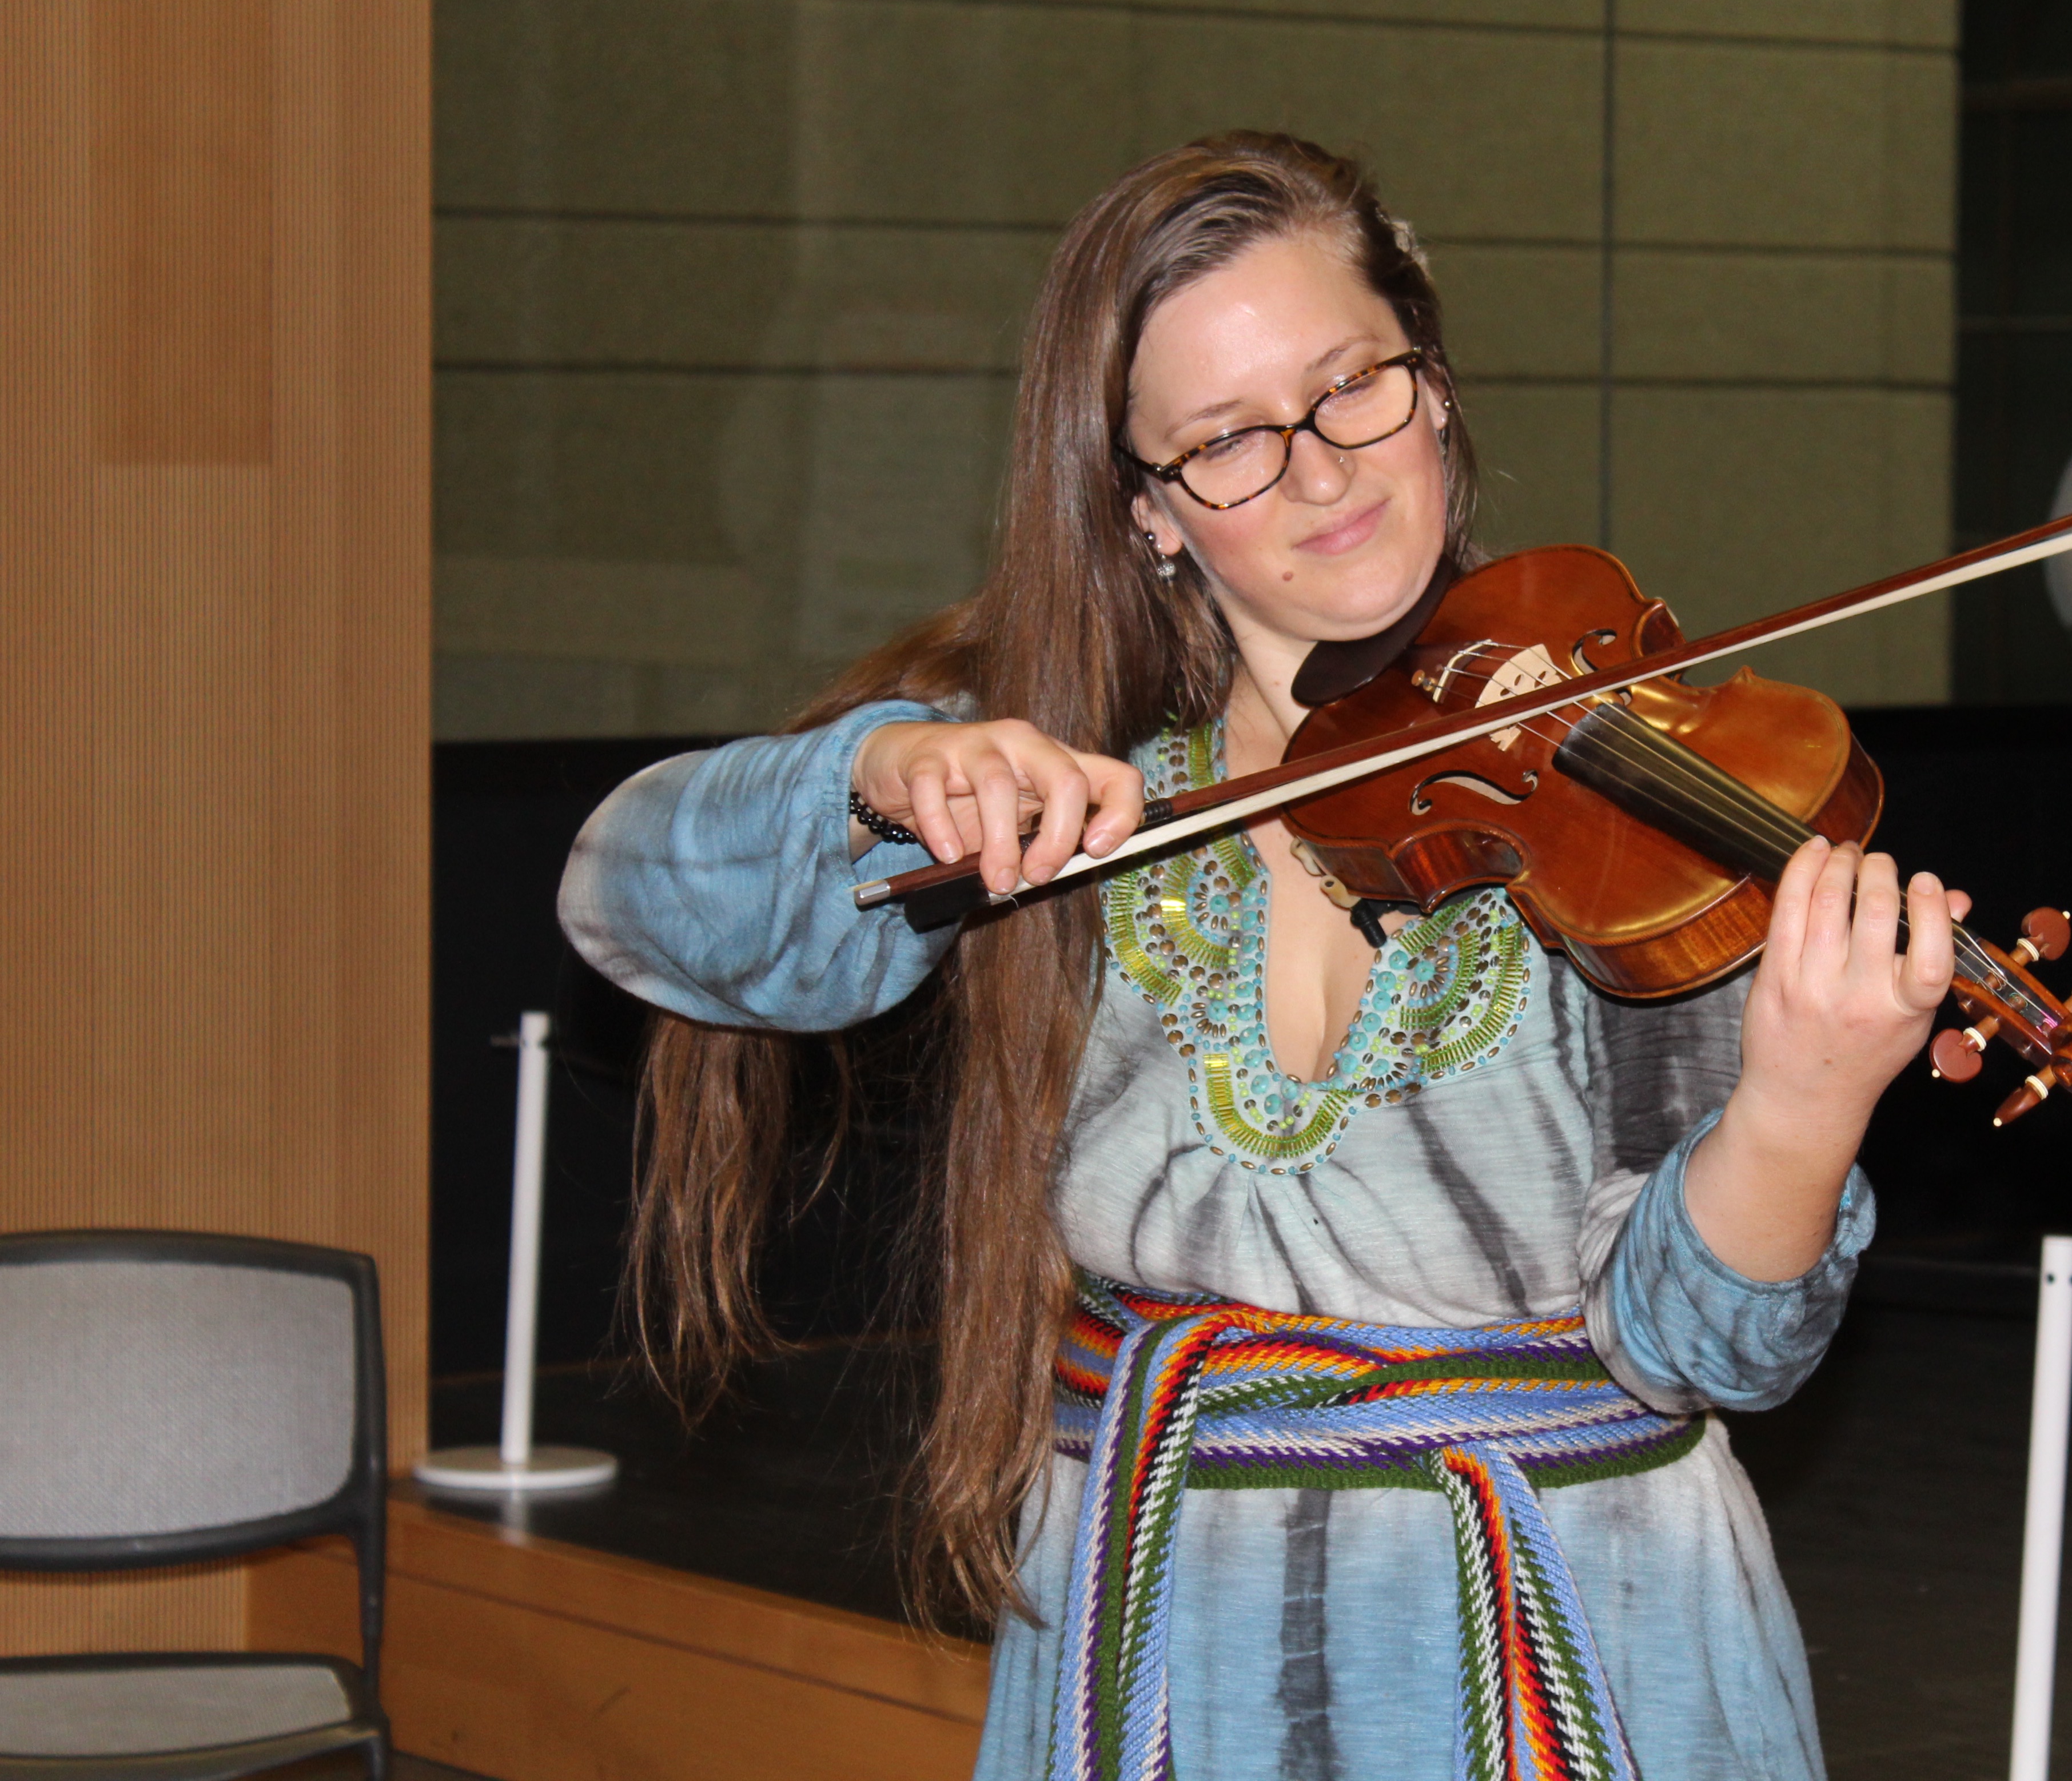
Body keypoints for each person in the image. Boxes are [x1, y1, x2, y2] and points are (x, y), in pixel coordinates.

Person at [562, 131, 1969, 1781]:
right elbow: (625, 897)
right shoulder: (1070, 806)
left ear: (1431, 386)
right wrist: (879, 772)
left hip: (1573, 1640)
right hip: (1168, 1640)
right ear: (1149, 513)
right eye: (1226, 441)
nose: (1318, 472)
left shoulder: (1635, 803)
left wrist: (1801, 1110)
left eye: (1350, 386)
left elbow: (1703, 1351)